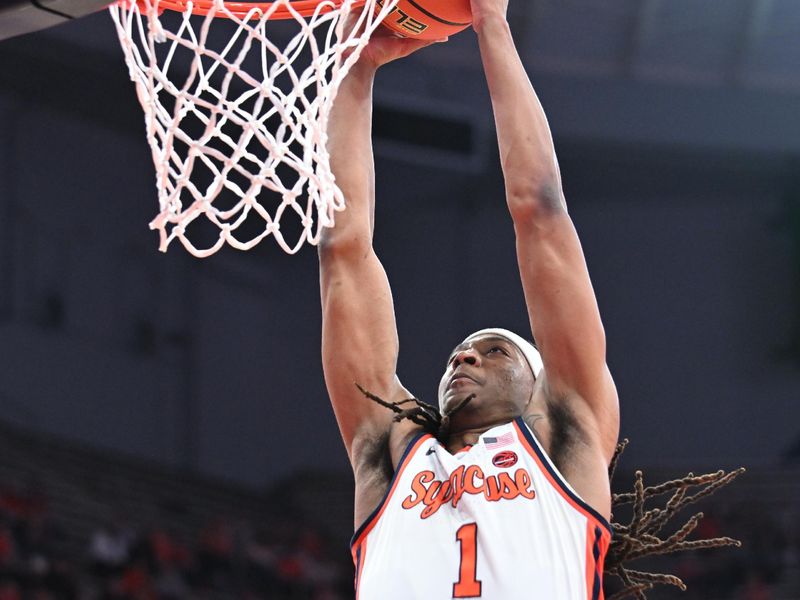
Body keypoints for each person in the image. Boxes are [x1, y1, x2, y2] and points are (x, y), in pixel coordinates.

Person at [318, 1, 741, 598]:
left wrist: (493, 24)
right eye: (461, 355)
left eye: (494, 352)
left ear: (542, 385)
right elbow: (344, 251)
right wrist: (354, 68)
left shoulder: (570, 432)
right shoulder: (389, 451)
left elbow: (540, 211)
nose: (462, 359)